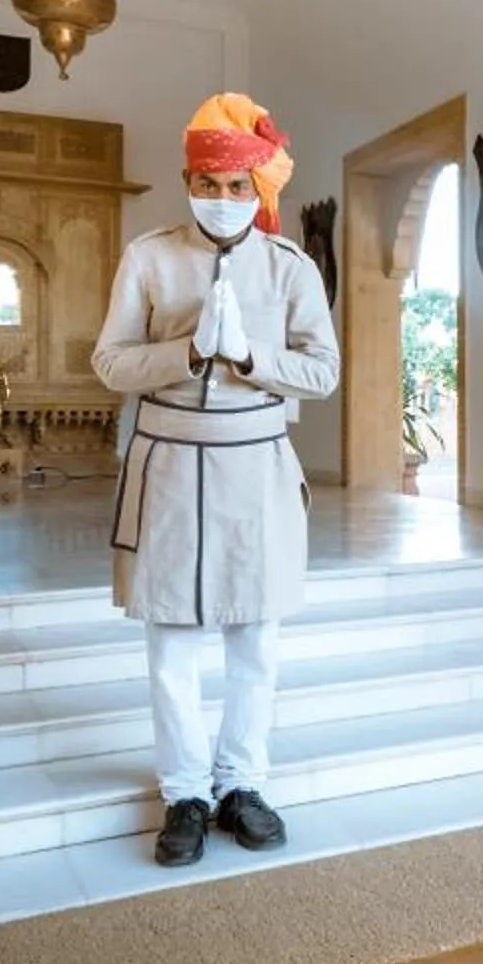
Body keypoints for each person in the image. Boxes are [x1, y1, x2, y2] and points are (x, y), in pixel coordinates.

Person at [93, 93, 341, 867]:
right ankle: (184, 794)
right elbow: (110, 363)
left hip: (256, 464)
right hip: (169, 462)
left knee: (255, 637)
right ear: (187, 181)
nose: (223, 198)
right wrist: (189, 353)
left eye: (237, 186)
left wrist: (247, 356)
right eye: (208, 183)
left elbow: (323, 372)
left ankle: (242, 783)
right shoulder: (148, 258)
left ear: (256, 186)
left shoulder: (290, 266)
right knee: (170, 641)